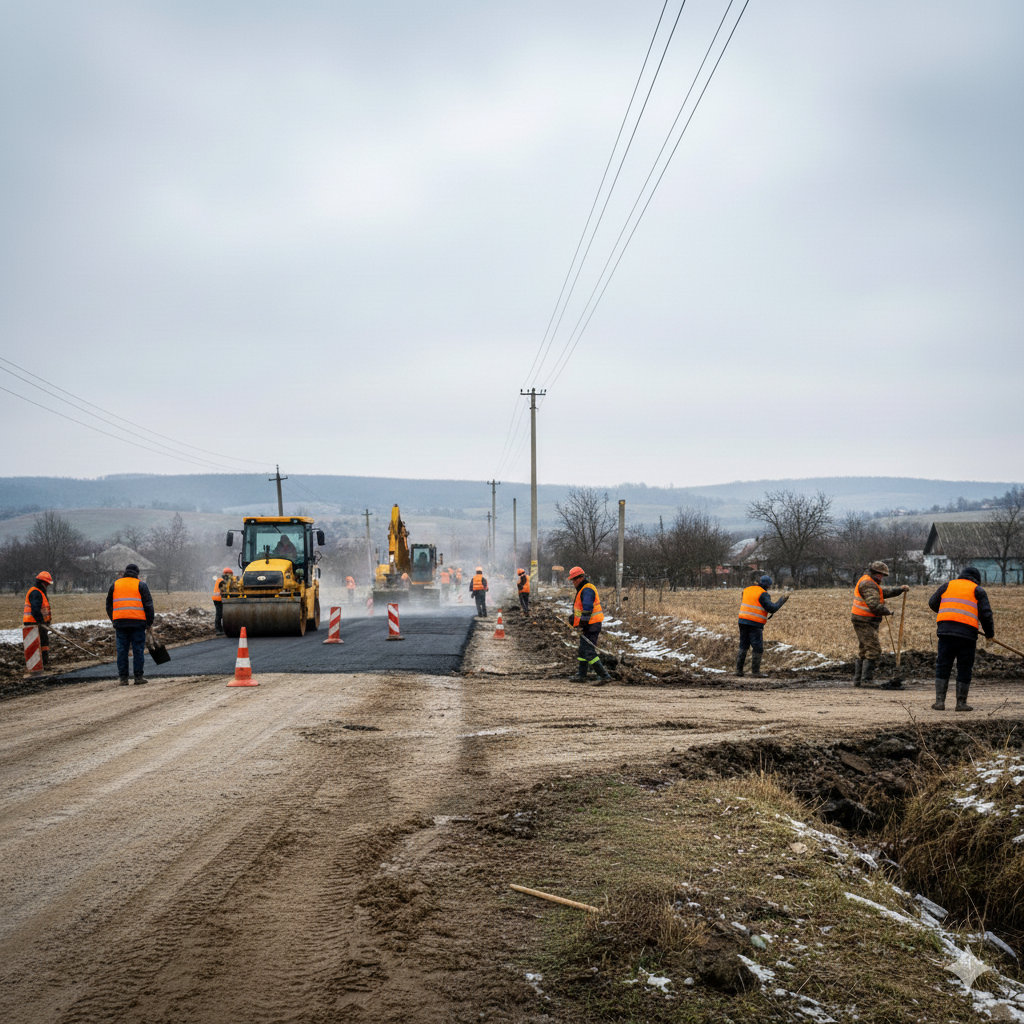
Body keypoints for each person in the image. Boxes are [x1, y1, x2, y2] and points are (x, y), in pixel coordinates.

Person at [927, 566, 995, 712]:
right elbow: (986, 614)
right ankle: (961, 704)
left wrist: (948, 612)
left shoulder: (947, 585)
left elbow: (932, 603)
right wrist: (989, 634)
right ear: (977, 579)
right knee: (964, 667)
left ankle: (939, 702)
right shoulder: (978, 590)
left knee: (943, 665)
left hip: (945, 633)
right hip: (967, 635)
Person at [851, 560, 909, 689]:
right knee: (873, 649)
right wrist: (888, 612)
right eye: (880, 575)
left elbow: (882, 593)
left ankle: (858, 680)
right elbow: (874, 605)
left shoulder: (870, 583)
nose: (881, 578)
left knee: (864, 649)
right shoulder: (868, 584)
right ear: (873, 573)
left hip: (864, 620)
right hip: (864, 620)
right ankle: (866, 680)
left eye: (882, 576)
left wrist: (899, 590)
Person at [106, 563, 155, 686]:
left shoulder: (115, 585)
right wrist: (149, 622)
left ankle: (123, 678)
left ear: (125, 572)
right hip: (138, 623)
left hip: (120, 623)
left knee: (122, 650)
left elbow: (108, 605)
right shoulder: (141, 585)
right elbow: (148, 605)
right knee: (138, 650)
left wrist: (114, 620)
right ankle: (138, 677)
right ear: (137, 574)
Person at [735, 575, 789, 677]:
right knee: (757, 648)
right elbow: (772, 608)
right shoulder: (763, 594)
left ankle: (739, 671)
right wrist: (782, 600)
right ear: (768, 586)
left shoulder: (746, 590)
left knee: (743, 645)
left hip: (742, 621)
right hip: (754, 623)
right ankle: (755, 672)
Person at [568, 565, 610, 683]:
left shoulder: (587, 589)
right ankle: (581, 674)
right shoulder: (583, 588)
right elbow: (581, 609)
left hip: (592, 625)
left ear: (578, 578)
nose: (573, 582)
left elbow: (587, 608)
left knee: (589, 652)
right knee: (582, 650)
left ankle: (605, 676)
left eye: (573, 580)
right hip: (589, 625)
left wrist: (582, 622)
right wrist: (574, 618)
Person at [23, 570, 53, 669]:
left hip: (40, 623)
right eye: (46, 584)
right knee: (36, 644)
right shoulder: (35, 592)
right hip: (34, 623)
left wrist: (46, 622)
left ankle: (44, 662)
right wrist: (41, 621)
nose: (47, 586)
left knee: (44, 643)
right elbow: (35, 609)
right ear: (42, 583)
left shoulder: (40, 592)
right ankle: (36, 665)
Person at [212, 567, 233, 634]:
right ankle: (218, 630)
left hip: (217, 599)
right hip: (218, 599)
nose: (230, 576)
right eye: (230, 575)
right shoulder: (222, 581)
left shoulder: (220, 579)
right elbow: (224, 590)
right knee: (219, 614)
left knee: (220, 614)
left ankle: (220, 629)